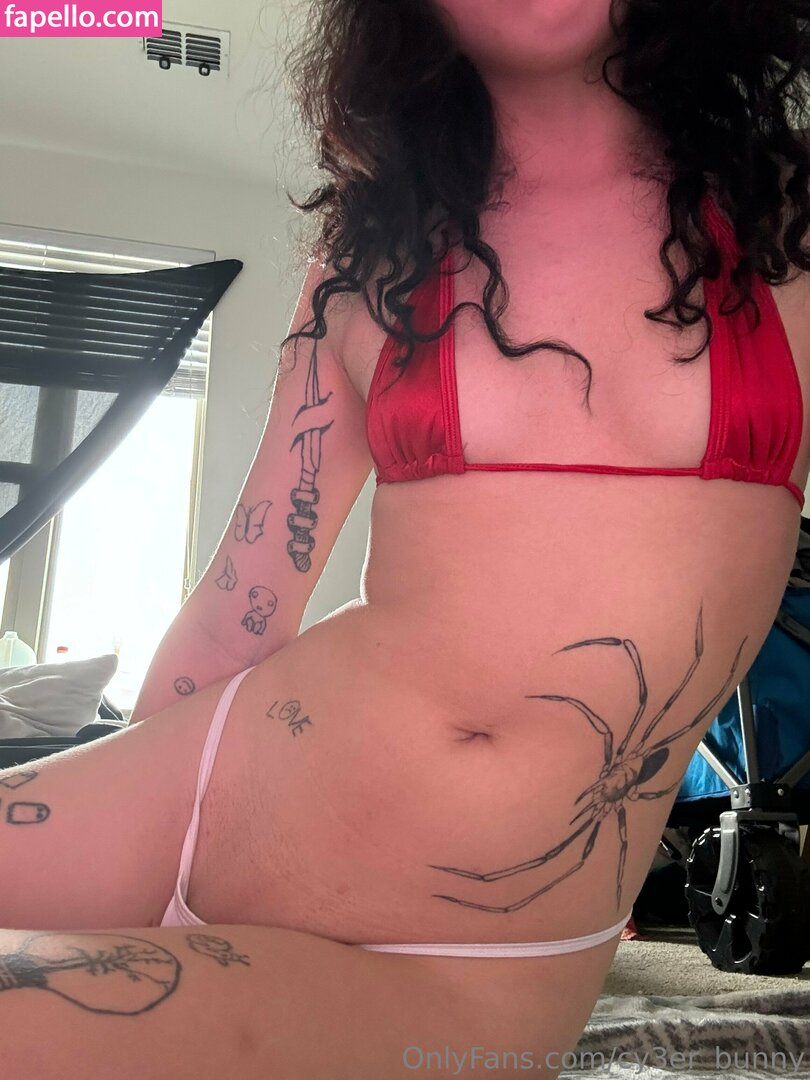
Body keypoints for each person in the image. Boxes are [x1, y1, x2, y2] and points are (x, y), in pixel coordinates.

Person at [3, 1, 810, 1076]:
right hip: (194, 784)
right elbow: (244, 599)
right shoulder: (375, 247)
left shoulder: (786, 227)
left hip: (462, 963)